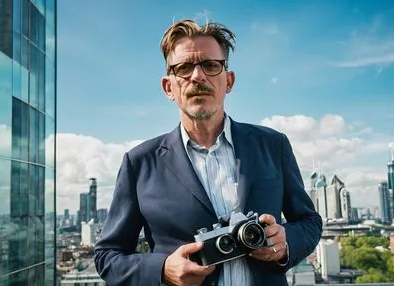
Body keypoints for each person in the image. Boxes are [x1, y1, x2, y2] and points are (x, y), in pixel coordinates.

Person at [94, 19, 322, 286]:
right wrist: (163, 270)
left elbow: (309, 222)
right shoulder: (140, 163)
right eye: (184, 68)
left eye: (211, 65)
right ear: (169, 87)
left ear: (229, 81)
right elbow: (107, 256)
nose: (197, 76)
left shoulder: (273, 145)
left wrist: (285, 242)